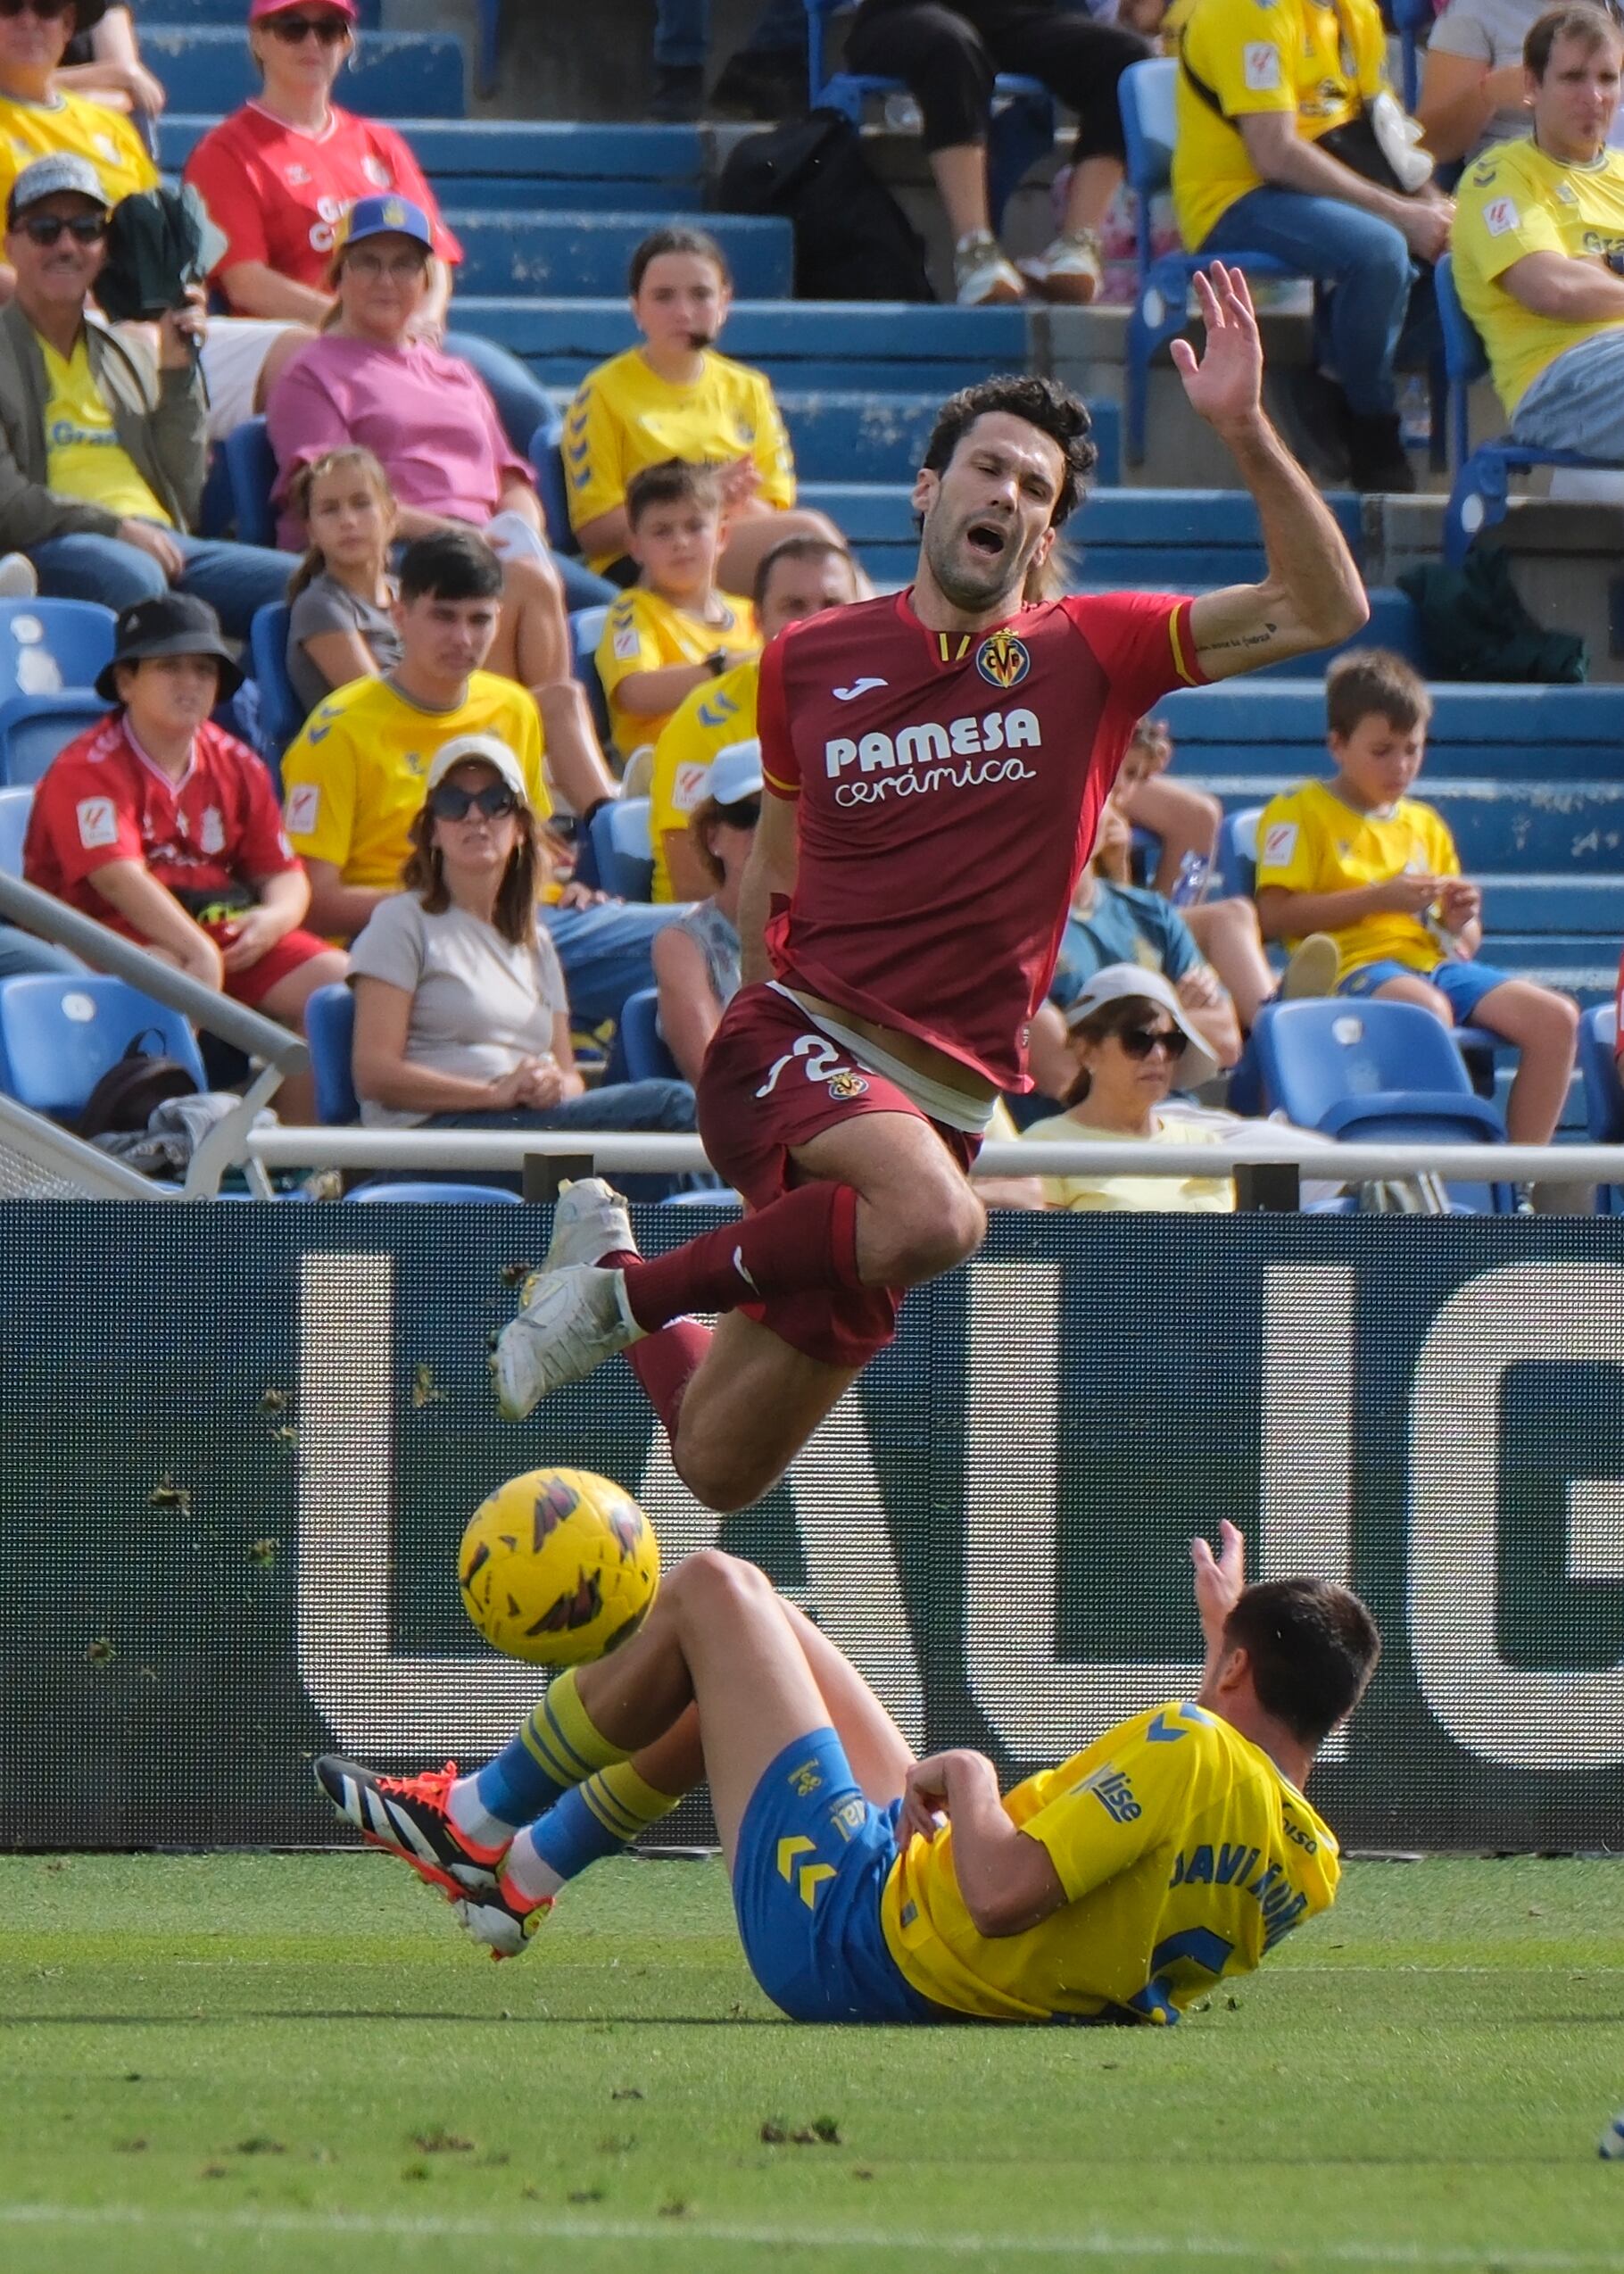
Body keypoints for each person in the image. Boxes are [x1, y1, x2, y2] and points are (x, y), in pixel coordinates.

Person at [488, 271, 1370, 1515]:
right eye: (988, 468)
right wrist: (761, 1067)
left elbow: (1326, 608)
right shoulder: (807, 658)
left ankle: (612, 1256)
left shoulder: (1094, 654)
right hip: (801, 1046)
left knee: (713, 1462)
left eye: (1034, 490)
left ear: (1043, 536)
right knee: (945, 1221)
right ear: (928, 488)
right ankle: (621, 1299)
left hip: (939, 1105)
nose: (1005, 494)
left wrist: (1241, 428)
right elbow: (773, 876)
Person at [314, 1524, 1381, 2025]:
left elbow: (1003, 1894)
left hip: (865, 1937)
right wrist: (1226, 1639)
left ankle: (474, 1815)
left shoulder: (1189, 1743)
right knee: (761, 1637)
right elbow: (1225, 1785)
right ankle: (521, 1879)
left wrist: (966, 1772)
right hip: (934, 1936)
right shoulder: (1308, 1857)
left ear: (1237, 1669)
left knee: (713, 1587)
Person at [263, 193, 612, 795]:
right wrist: (465, 538)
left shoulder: (453, 371)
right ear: (338, 274)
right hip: (398, 550)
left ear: (426, 279)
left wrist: (519, 523)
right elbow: (331, 495)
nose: (386, 279)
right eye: (368, 262)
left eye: (404, 265)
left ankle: (567, 780)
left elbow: (508, 474)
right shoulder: (312, 371)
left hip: (488, 544)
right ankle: (528, 778)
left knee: (616, 616)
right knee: (527, 580)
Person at [178, 0, 571, 505]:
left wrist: (423, 319)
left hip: (407, 337)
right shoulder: (227, 150)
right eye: (293, 28)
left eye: (331, 28)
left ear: (349, 41)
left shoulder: (378, 143)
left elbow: (433, 257)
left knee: (521, 402)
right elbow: (245, 280)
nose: (313, 43)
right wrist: (354, 319)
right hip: (314, 346)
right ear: (259, 39)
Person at [282, 527, 677, 1025]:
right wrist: (453, 900)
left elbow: (529, 841)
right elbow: (314, 901)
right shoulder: (337, 731)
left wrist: (560, 884)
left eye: (480, 620)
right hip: (409, 940)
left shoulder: (512, 707)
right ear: (400, 616)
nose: (463, 639)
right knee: (683, 949)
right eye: (443, 618)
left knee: (695, 939)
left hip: (526, 924)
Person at [22, 591, 345, 1116]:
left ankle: (296, 1161)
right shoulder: (86, 766)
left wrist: (273, 919)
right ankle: (164, 1145)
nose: (190, 682)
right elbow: (116, 877)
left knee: (339, 989)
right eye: (169, 666)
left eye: (203, 668)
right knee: (165, 969)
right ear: (126, 682)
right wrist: (197, 952)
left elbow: (284, 873)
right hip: (107, 937)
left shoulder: (235, 759)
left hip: (217, 933)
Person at [1255, 647, 1579, 1143]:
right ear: (1337, 744)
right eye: (1382, 751)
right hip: (1352, 964)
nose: (1401, 766)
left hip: (1435, 965)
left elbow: (1464, 943)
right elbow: (1272, 917)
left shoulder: (1425, 823)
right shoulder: (1297, 810)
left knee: (1555, 1019)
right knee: (1426, 1011)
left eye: (1412, 749)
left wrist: (1458, 920)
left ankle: (1513, 1186)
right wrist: (1377, 898)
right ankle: (1440, 1166)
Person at [348, 735, 698, 1191]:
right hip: (431, 1142)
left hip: (522, 1130)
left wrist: (552, 1085)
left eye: (497, 802)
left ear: (519, 829)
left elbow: (571, 1075)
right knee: (667, 1108)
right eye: (455, 803)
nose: (476, 816)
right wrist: (493, 1094)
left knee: (656, 1138)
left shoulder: (537, 942)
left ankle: (656, 1256)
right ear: (432, 829)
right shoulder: (401, 921)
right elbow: (374, 1074)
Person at [0, 154, 294, 634]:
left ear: (105, 247)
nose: (67, 245)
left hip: (162, 542)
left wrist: (179, 374)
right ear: (11, 243)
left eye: (88, 228)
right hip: (53, 543)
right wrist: (114, 528)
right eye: (45, 229)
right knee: (138, 581)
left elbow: (182, 492)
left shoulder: (128, 354)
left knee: (303, 588)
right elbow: (7, 502)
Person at [1172, 0, 1453, 491]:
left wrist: (1440, 212)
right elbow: (1273, 153)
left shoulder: (1356, 12)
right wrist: (1404, 216)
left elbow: (1386, 138)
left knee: (1474, 256)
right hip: (1234, 197)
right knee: (1380, 252)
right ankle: (1372, 425)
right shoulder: (1247, 11)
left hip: (1321, 188)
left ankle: (1330, 380)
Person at [565, 228, 849, 593]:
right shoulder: (602, 392)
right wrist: (702, 499)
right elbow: (595, 531)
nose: (683, 313)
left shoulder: (748, 388)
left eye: (701, 295)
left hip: (731, 545)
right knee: (810, 539)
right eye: (663, 297)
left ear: (724, 303)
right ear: (637, 308)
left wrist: (721, 507)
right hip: (643, 564)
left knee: (811, 550)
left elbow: (775, 508)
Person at [841, 0, 1152, 307]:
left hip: (1007, 16)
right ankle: (975, 253)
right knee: (951, 45)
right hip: (901, 14)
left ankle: (1077, 246)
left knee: (1127, 59)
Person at [1450, 6, 1624, 456]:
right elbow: (1554, 289)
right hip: (1560, 384)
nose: (1594, 96)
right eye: (1572, 78)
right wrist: (1591, 276)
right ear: (1531, 86)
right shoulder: (1499, 177)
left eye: (1608, 78)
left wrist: (1601, 274)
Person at [650, 533, 858, 902]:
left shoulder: (890, 705)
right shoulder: (704, 719)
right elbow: (693, 882)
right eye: (794, 605)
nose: (816, 621)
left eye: (832, 603)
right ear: (757, 620)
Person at [1021, 964, 1235, 1212]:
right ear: (1086, 1051)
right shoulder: (1043, 1146)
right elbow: (1045, 1249)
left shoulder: (1207, 1146)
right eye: (1138, 1040)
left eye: (1171, 1041)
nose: (1158, 1055)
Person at [594, 458, 759, 766]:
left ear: (722, 536)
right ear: (636, 548)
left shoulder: (751, 613)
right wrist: (729, 668)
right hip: (671, 770)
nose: (680, 542)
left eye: (695, 526)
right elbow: (636, 693)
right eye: (661, 531)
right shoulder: (633, 610)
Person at [650, 737, 757, 1083]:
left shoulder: (837, 931)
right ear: (713, 837)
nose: (764, 831)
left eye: (781, 814)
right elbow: (716, 1079)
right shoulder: (683, 945)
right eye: (745, 815)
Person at [283, 443, 401, 720]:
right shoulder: (319, 605)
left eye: (361, 504)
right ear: (312, 531)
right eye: (329, 509)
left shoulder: (411, 594)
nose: (347, 520)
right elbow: (376, 708)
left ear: (391, 515)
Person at [1418, 0, 1541, 162]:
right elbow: (1430, 146)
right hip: (1515, 173)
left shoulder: (1585, 10)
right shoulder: (1473, 12)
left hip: (1581, 171)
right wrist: (1490, 92)